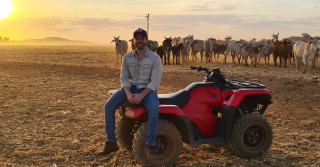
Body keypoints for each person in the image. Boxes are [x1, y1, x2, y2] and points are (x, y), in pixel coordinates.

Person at [98, 28, 162, 157]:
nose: (139, 41)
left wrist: (141, 95)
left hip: (147, 91)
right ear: (133, 41)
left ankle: (150, 144)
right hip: (131, 88)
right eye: (137, 39)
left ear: (146, 40)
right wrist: (127, 93)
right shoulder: (127, 58)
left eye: (142, 39)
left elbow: (155, 81)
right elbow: (124, 78)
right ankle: (111, 142)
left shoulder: (155, 58)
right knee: (108, 106)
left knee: (154, 109)